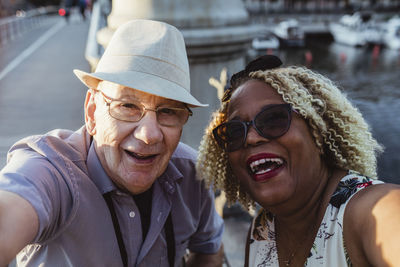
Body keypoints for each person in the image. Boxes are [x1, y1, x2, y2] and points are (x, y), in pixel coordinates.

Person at [0, 19, 224, 267]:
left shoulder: (193, 175)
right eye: (128, 106)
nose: (149, 135)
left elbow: (210, 249)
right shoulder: (52, 173)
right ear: (92, 111)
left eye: (169, 111)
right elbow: (13, 206)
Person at [197, 55, 400, 266]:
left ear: (317, 130)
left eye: (274, 119)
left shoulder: (374, 210)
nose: (251, 138)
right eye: (234, 132)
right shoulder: (261, 232)